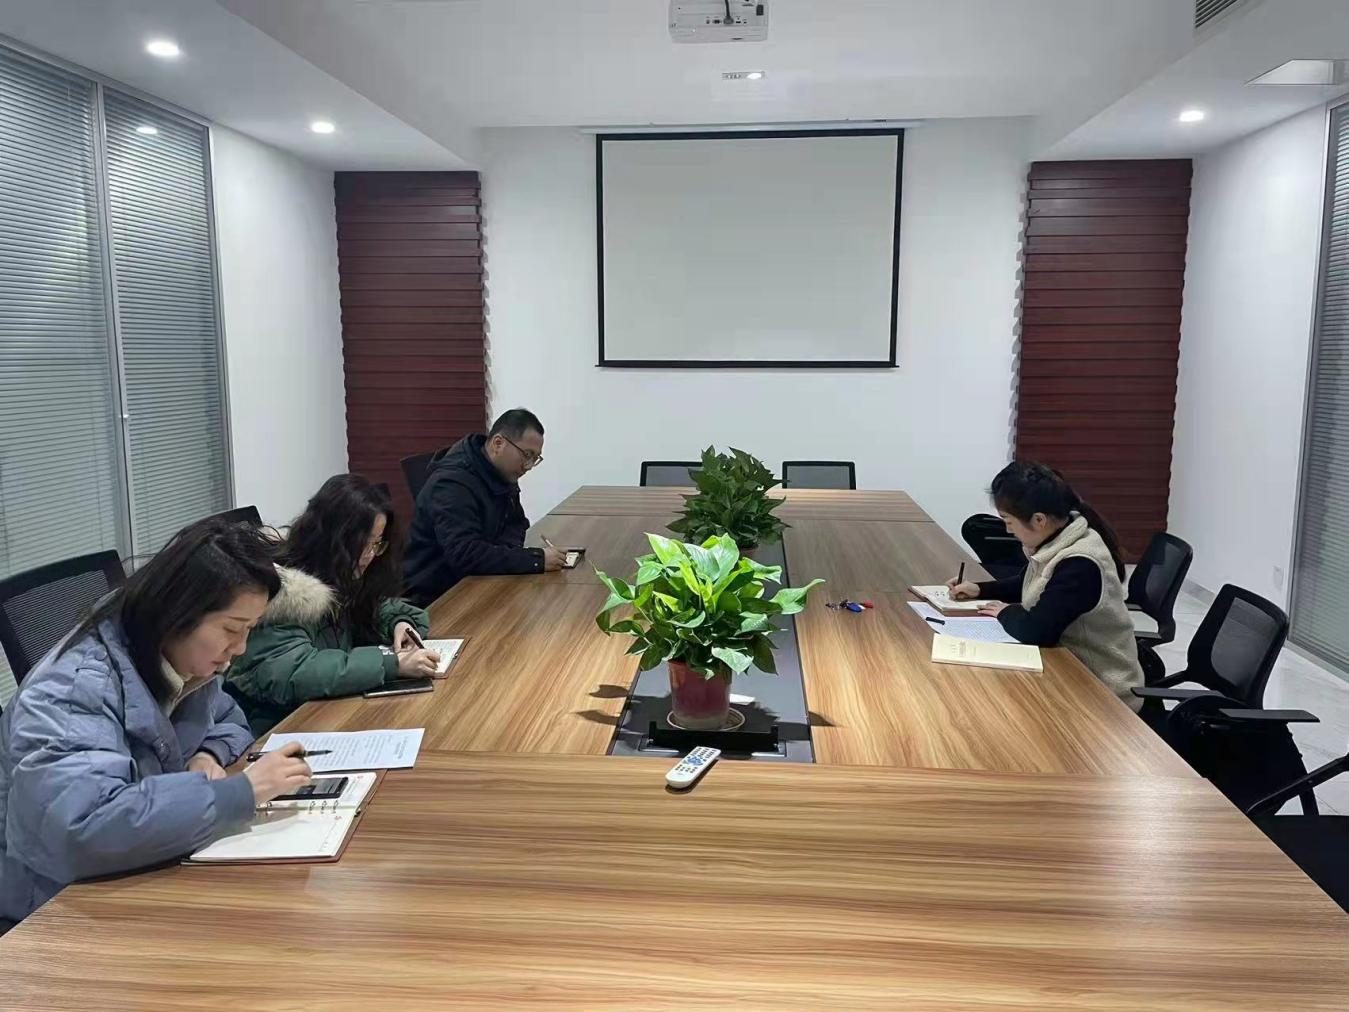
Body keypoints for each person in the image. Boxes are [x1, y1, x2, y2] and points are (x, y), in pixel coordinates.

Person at [0, 518, 314, 931]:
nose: (239, 648)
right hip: (54, 908)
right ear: (179, 612)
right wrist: (242, 792)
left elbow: (229, 719)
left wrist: (207, 754)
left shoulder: (179, 660)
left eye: (249, 630)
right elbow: (84, 829)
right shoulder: (73, 690)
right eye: (231, 629)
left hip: (140, 866)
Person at [226, 475, 439, 736]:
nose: (370, 555)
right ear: (332, 538)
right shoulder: (282, 590)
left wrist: (400, 624)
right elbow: (296, 671)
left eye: (377, 544)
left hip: (324, 712)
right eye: (363, 544)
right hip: (275, 728)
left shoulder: (339, 573)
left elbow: (377, 607)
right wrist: (391, 664)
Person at [948, 461, 1143, 709]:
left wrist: (1005, 612)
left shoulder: (1080, 564)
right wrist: (981, 589)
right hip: (1067, 670)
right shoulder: (1060, 537)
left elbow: (1036, 630)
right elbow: (1031, 583)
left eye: (1008, 521)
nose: (1008, 530)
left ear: (1039, 520)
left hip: (1103, 694)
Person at [403, 408, 566, 606]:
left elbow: (517, 523)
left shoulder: (502, 472)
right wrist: (535, 559)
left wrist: (504, 554)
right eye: (526, 455)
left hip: (481, 581)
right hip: (438, 597)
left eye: (535, 458)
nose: (528, 465)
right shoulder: (451, 484)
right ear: (498, 443)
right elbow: (465, 554)